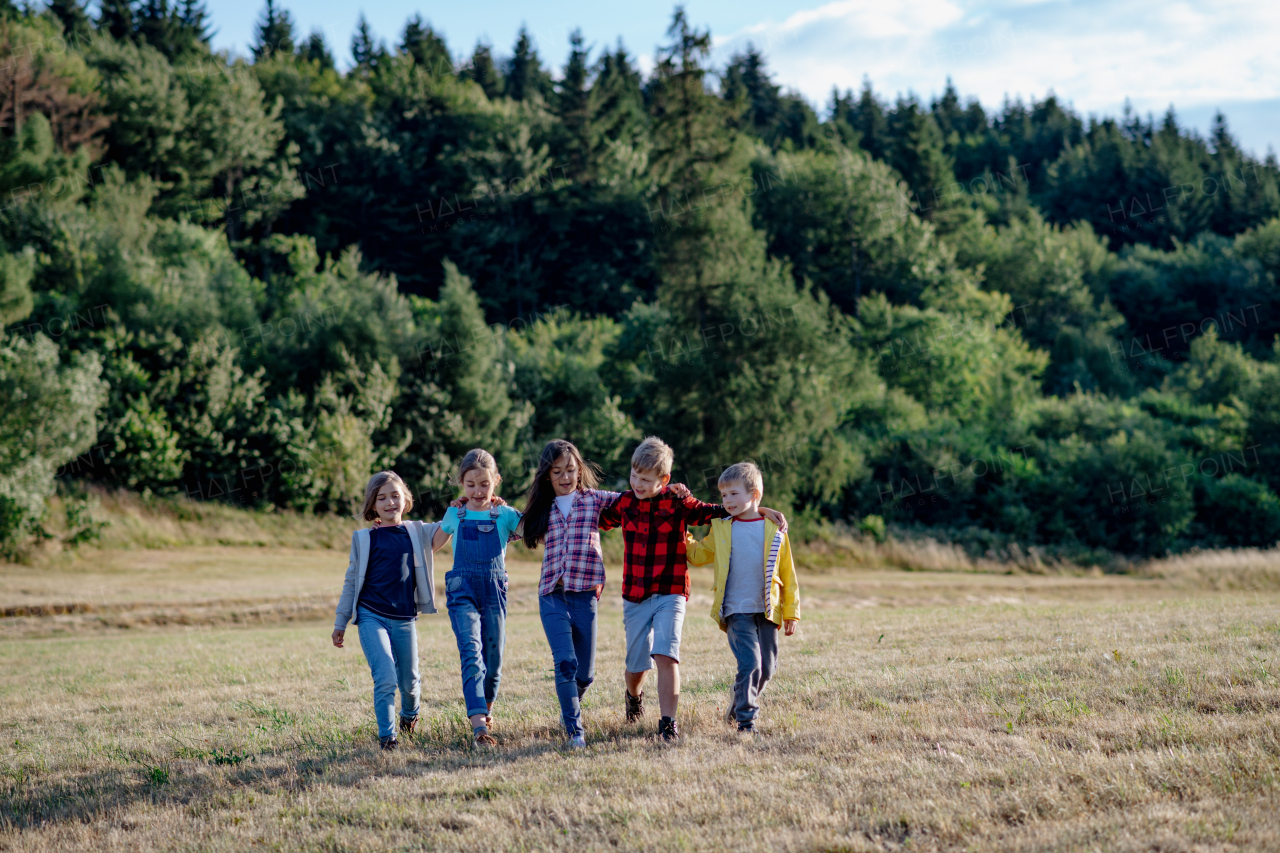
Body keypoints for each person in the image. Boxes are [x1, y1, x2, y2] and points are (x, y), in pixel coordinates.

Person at [598, 437, 787, 742]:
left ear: (664, 480)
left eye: (646, 480)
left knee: (666, 655)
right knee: (636, 664)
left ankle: (668, 723)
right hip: (634, 595)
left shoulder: (678, 502)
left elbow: (721, 511)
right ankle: (634, 696)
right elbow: (593, 518)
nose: (638, 483)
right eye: (634, 476)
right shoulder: (624, 503)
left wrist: (761, 510)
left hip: (672, 592)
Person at [332, 471, 449, 750]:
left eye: (395, 495)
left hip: (405, 619)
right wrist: (341, 621)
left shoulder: (417, 532)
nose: (389, 502)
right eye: (381, 497)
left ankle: (410, 716)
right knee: (385, 675)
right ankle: (388, 738)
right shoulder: (364, 539)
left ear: (405, 499)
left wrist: (462, 505)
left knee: (409, 682)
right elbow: (351, 581)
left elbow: (448, 527)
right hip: (371, 615)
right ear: (373, 505)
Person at [519, 439, 625, 748]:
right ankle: (574, 730)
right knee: (564, 661)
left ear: (579, 470)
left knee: (585, 674)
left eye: (570, 470)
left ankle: (570, 700)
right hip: (552, 594)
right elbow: (506, 522)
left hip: (585, 596)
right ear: (547, 476)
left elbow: (633, 500)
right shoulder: (541, 509)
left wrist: (671, 492)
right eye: (557, 472)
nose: (565, 477)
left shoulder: (593, 499)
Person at [687, 462, 800, 733]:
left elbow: (788, 573)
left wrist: (791, 612)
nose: (727, 501)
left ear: (755, 495)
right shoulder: (722, 528)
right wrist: (682, 536)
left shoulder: (775, 531)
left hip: (767, 610)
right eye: (723, 495)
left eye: (733, 494)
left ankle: (738, 703)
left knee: (767, 669)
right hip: (735, 609)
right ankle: (746, 722)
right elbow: (699, 555)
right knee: (750, 663)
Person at [439, 449, 523, 748]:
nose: (477, 491)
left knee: (494, 660)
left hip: (493, 592)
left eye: (484, 484)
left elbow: (535, 531)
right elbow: (429, 544)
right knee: (471, 652)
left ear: (496, 481)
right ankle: (478, 727)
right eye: (471, 484)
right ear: (461, 483)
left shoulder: (505, 515)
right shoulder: (455, 514)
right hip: (462, 589)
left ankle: (486, 710)